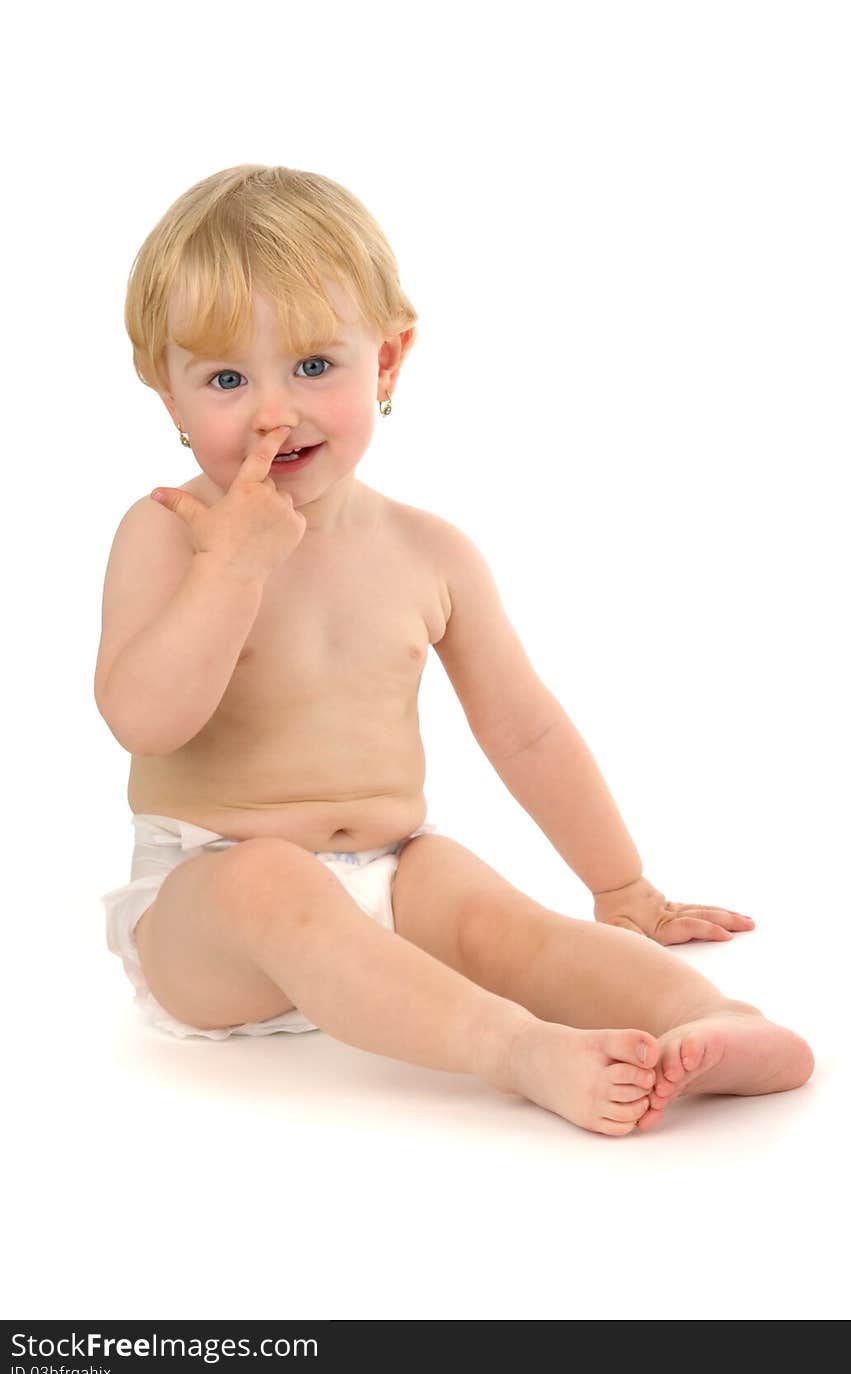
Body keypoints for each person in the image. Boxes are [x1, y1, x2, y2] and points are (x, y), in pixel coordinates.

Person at [96, 164, 813, 1136]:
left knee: (488, 907)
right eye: (227, 378)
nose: (275, 411)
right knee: (272, 877)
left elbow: (525, 730)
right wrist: (232, 570)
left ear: (385, 364)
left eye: (313, 366)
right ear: (167, 393)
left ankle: (712, 1021)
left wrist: (622, 885)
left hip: (387, 871)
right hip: (208, 904)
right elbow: (142, 717)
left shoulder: (427, 553)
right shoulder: (170, 532)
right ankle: (517, 1050)